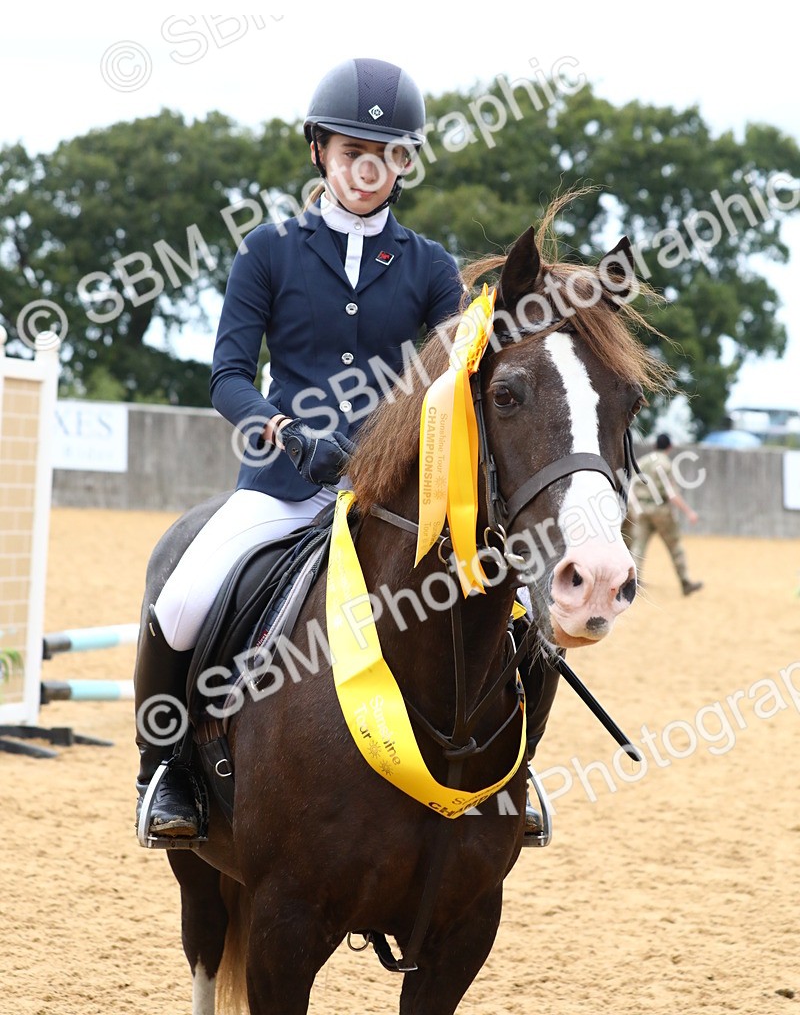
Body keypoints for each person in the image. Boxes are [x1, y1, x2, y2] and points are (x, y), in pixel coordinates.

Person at [134, 56, 557, 847]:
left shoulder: (431, 266)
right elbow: (229, 373)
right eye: (350, 148)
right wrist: (285, 431)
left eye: (389, 152)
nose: (369, 167)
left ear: (405, 162)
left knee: (523, 614)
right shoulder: (268, 250)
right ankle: (168, 771)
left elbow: (452, 378)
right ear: (319, 151)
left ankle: (512, 774)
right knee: (185, 596)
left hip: (398, 493)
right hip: (284, 481)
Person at [625, 432, 703, 597]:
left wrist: (634, 506)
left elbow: (630, 485)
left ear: (654, 446)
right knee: (675, 546)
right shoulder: (665, 464)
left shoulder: (643, 461)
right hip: (660, 510)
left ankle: (632, 584)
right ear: (669, 447)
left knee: (638, 547)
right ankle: (685, 581)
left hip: (641, 510)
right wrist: (688, 512)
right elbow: (671, 493)